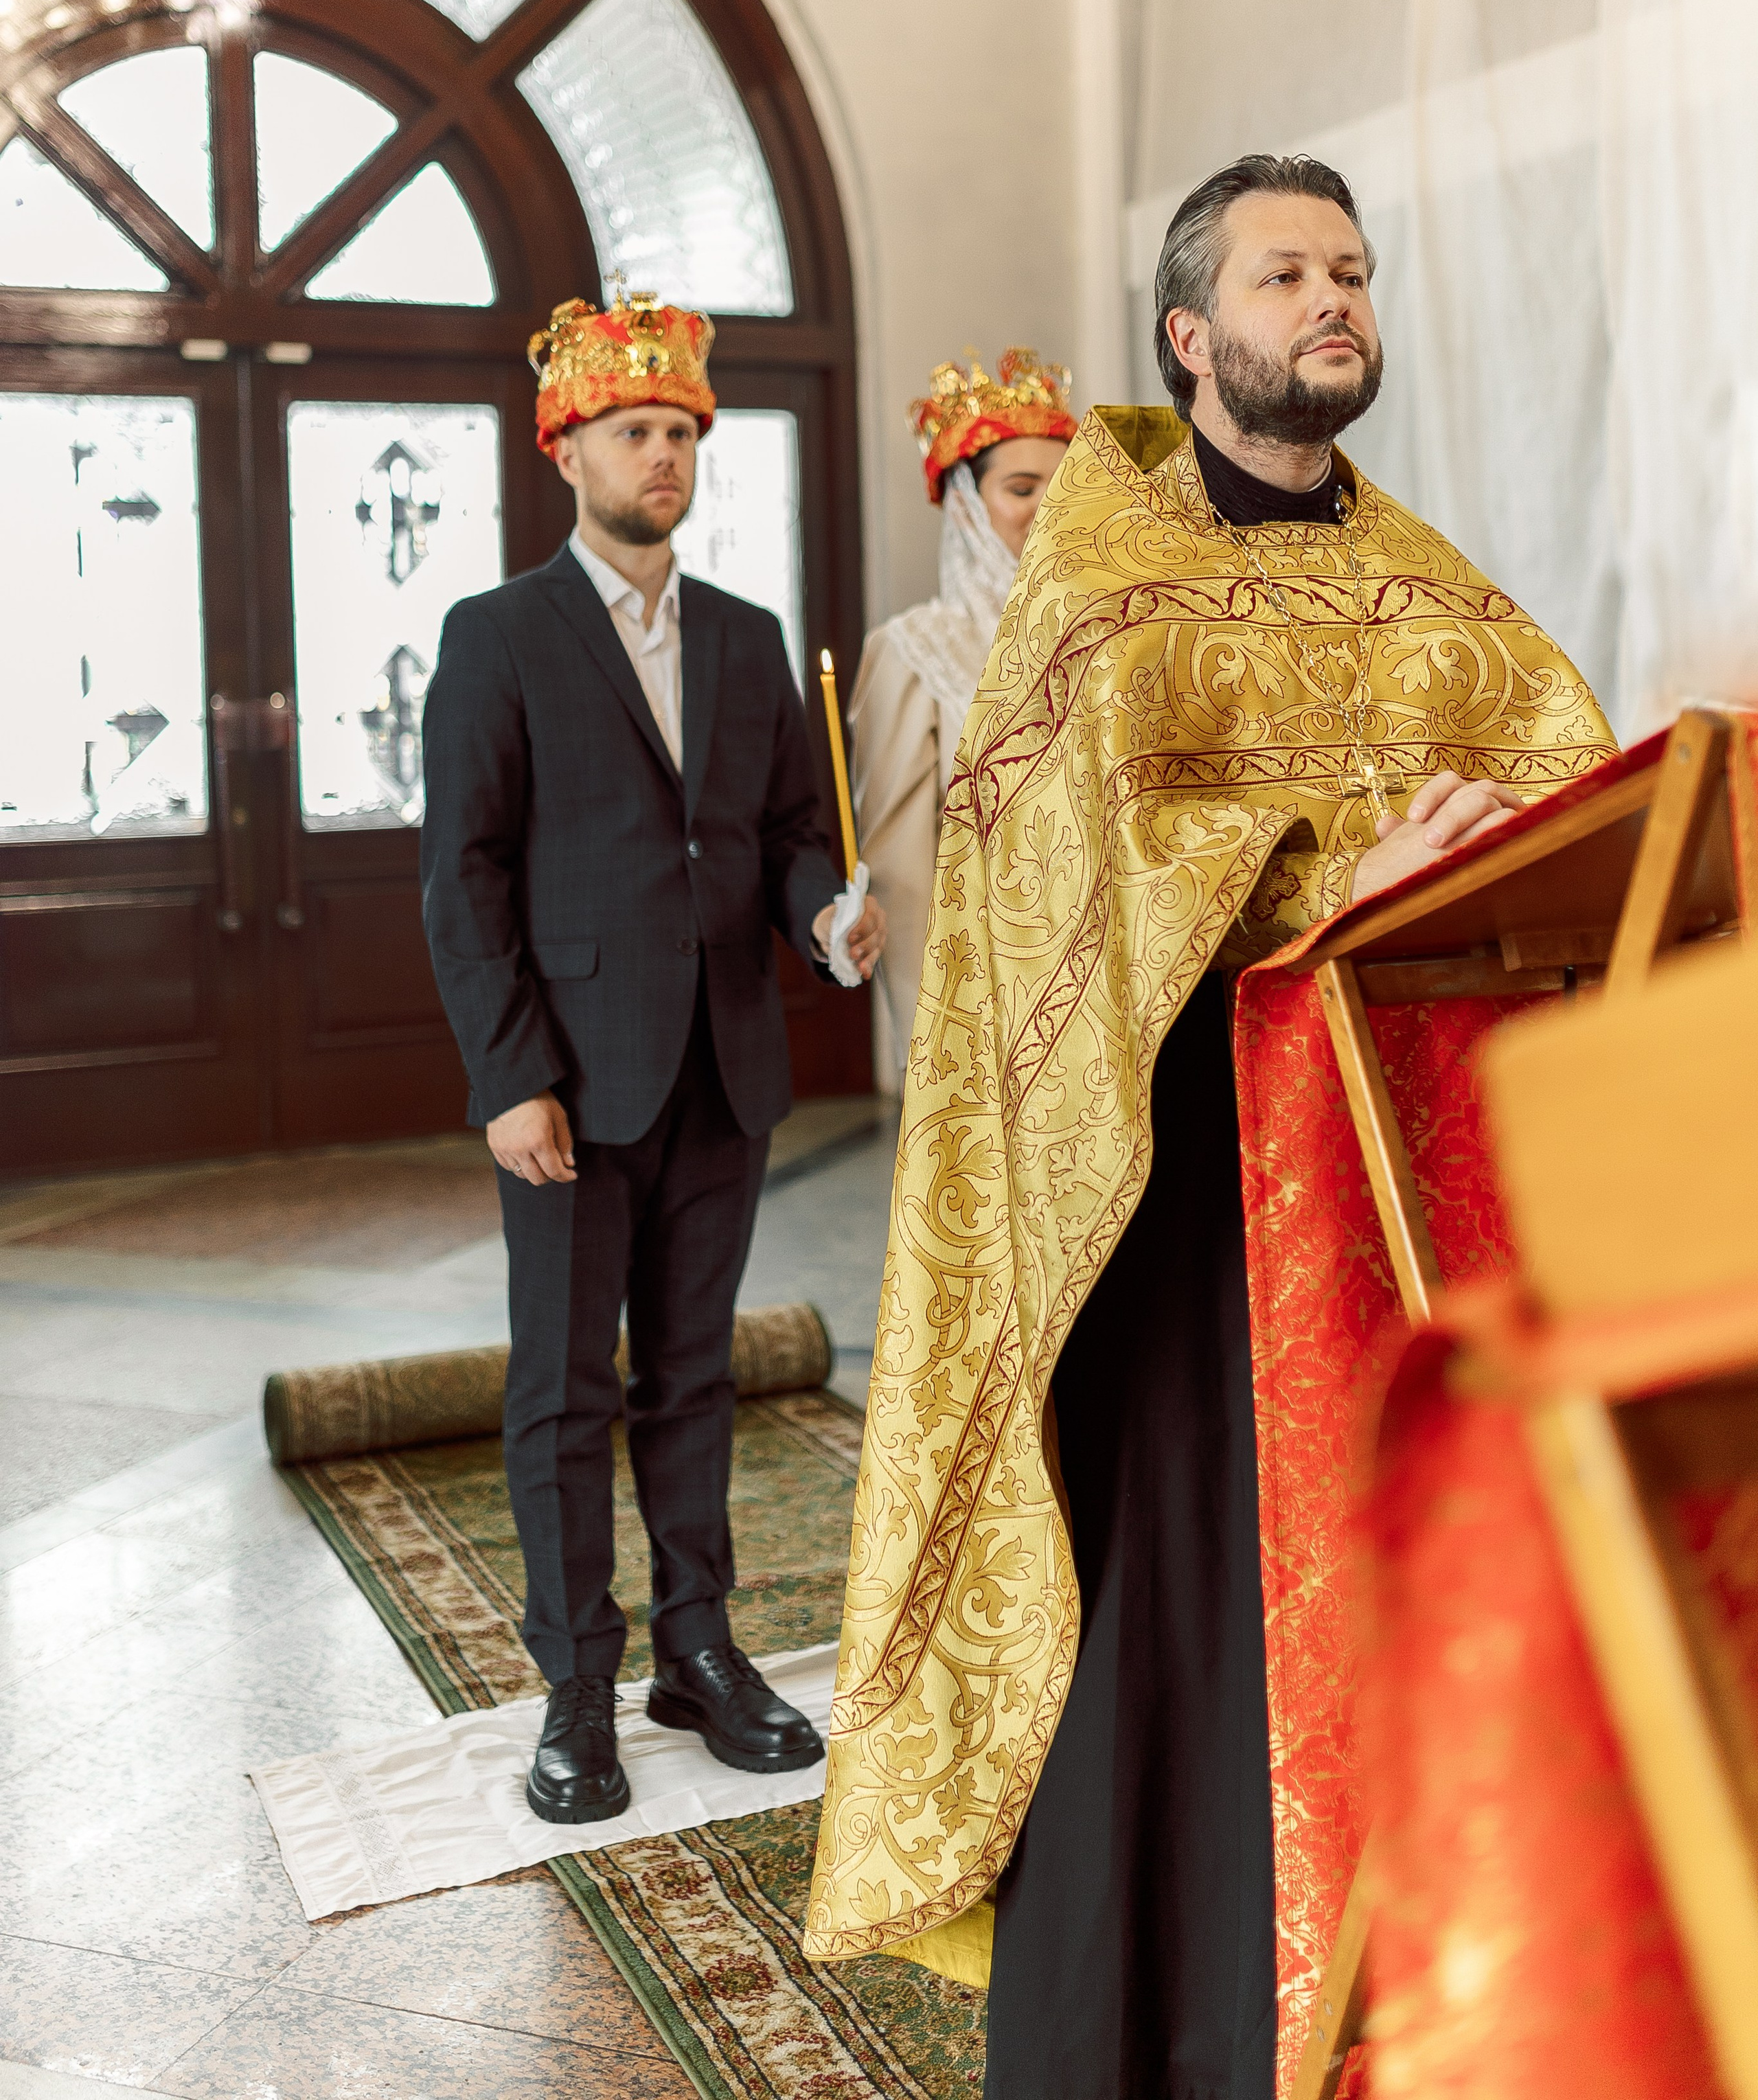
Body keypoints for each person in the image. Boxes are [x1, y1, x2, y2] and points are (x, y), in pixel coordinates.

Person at [803, 157, 1616, 2093]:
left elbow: (1564, 782)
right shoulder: (1099, 584)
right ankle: (1164, 2025)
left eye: (1347, 271)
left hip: (1407, 1202)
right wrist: (1323, 882)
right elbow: (1037, 884)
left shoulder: (1442, 598)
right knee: (1190, 1608)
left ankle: (1415, 1992)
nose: (1330, 298)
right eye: (1284, 275)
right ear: (1193, 338)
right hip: (1177, 1217)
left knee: (1415, 1583)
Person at [420, 291, 884, 1825]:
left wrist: (825, 923)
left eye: (682, 432)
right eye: (635, 431)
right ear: (568, 449)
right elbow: (464, 872)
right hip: (567, 1077)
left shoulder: (749, 642)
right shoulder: (497, 638)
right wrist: (506, 1075)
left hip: (722, 1072)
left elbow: (785, 840)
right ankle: (575, 1688)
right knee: (564, 1389)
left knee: (691, 1379)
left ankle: (698, 1650)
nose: (664, 456)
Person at [848, 352, 1076, 1084]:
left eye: (1064, 485)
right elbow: (899, 874)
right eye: (1020, 488)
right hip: (982, 1002)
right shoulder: (913, 649)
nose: (1049, 506)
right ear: (966, 504)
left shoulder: (1108, 634)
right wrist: (938, 1049)